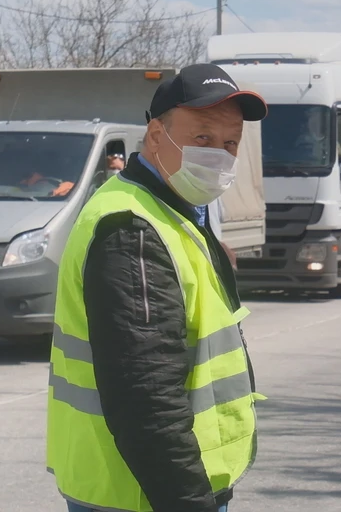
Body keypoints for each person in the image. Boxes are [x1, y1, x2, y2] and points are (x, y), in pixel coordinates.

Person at [46, 63, 268, 512]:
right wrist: (189, 503)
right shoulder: (132, 229)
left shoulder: (171, 211)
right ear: (154, 135)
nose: (219, 155)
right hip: (143, 495)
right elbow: (146, 397)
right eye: (202, 137)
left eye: (230, 143)